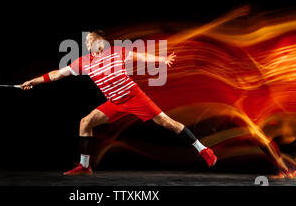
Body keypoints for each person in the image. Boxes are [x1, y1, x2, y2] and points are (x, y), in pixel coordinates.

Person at [20, 31, 217, 175]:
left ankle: (204, 150)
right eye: (86, 40)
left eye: (91, 39)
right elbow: (57, 74)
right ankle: (85, 166)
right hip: (114, 102)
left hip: (134, 97)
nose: (88, 42)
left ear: (101, 41)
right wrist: (34, 82)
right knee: (85, 122)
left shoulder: (117, 52)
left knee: (168, 123)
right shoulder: (83, 62)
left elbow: (141, 56)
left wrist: (162, 60)